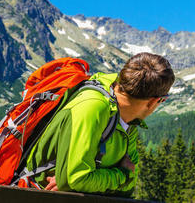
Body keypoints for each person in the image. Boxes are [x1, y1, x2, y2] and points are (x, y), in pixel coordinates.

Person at [24, 52, 175, 196]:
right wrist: (122, 175)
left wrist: (91, 180)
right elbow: (77, 179)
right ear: (155, 101)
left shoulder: (130, 121)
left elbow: (129, 184)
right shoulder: (92, 107)